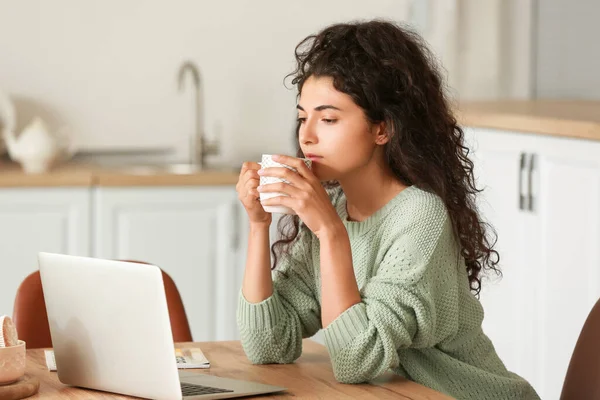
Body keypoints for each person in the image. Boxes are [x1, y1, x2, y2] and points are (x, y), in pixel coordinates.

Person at [235, 19, 539, 399]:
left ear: (383, 129)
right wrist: (258, 225)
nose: (306, 135)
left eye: (328, 119)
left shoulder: (420, 216)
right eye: (303, 117)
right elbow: (268, 345)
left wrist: (331, 232)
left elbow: (356, 359)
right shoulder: (332, 208)